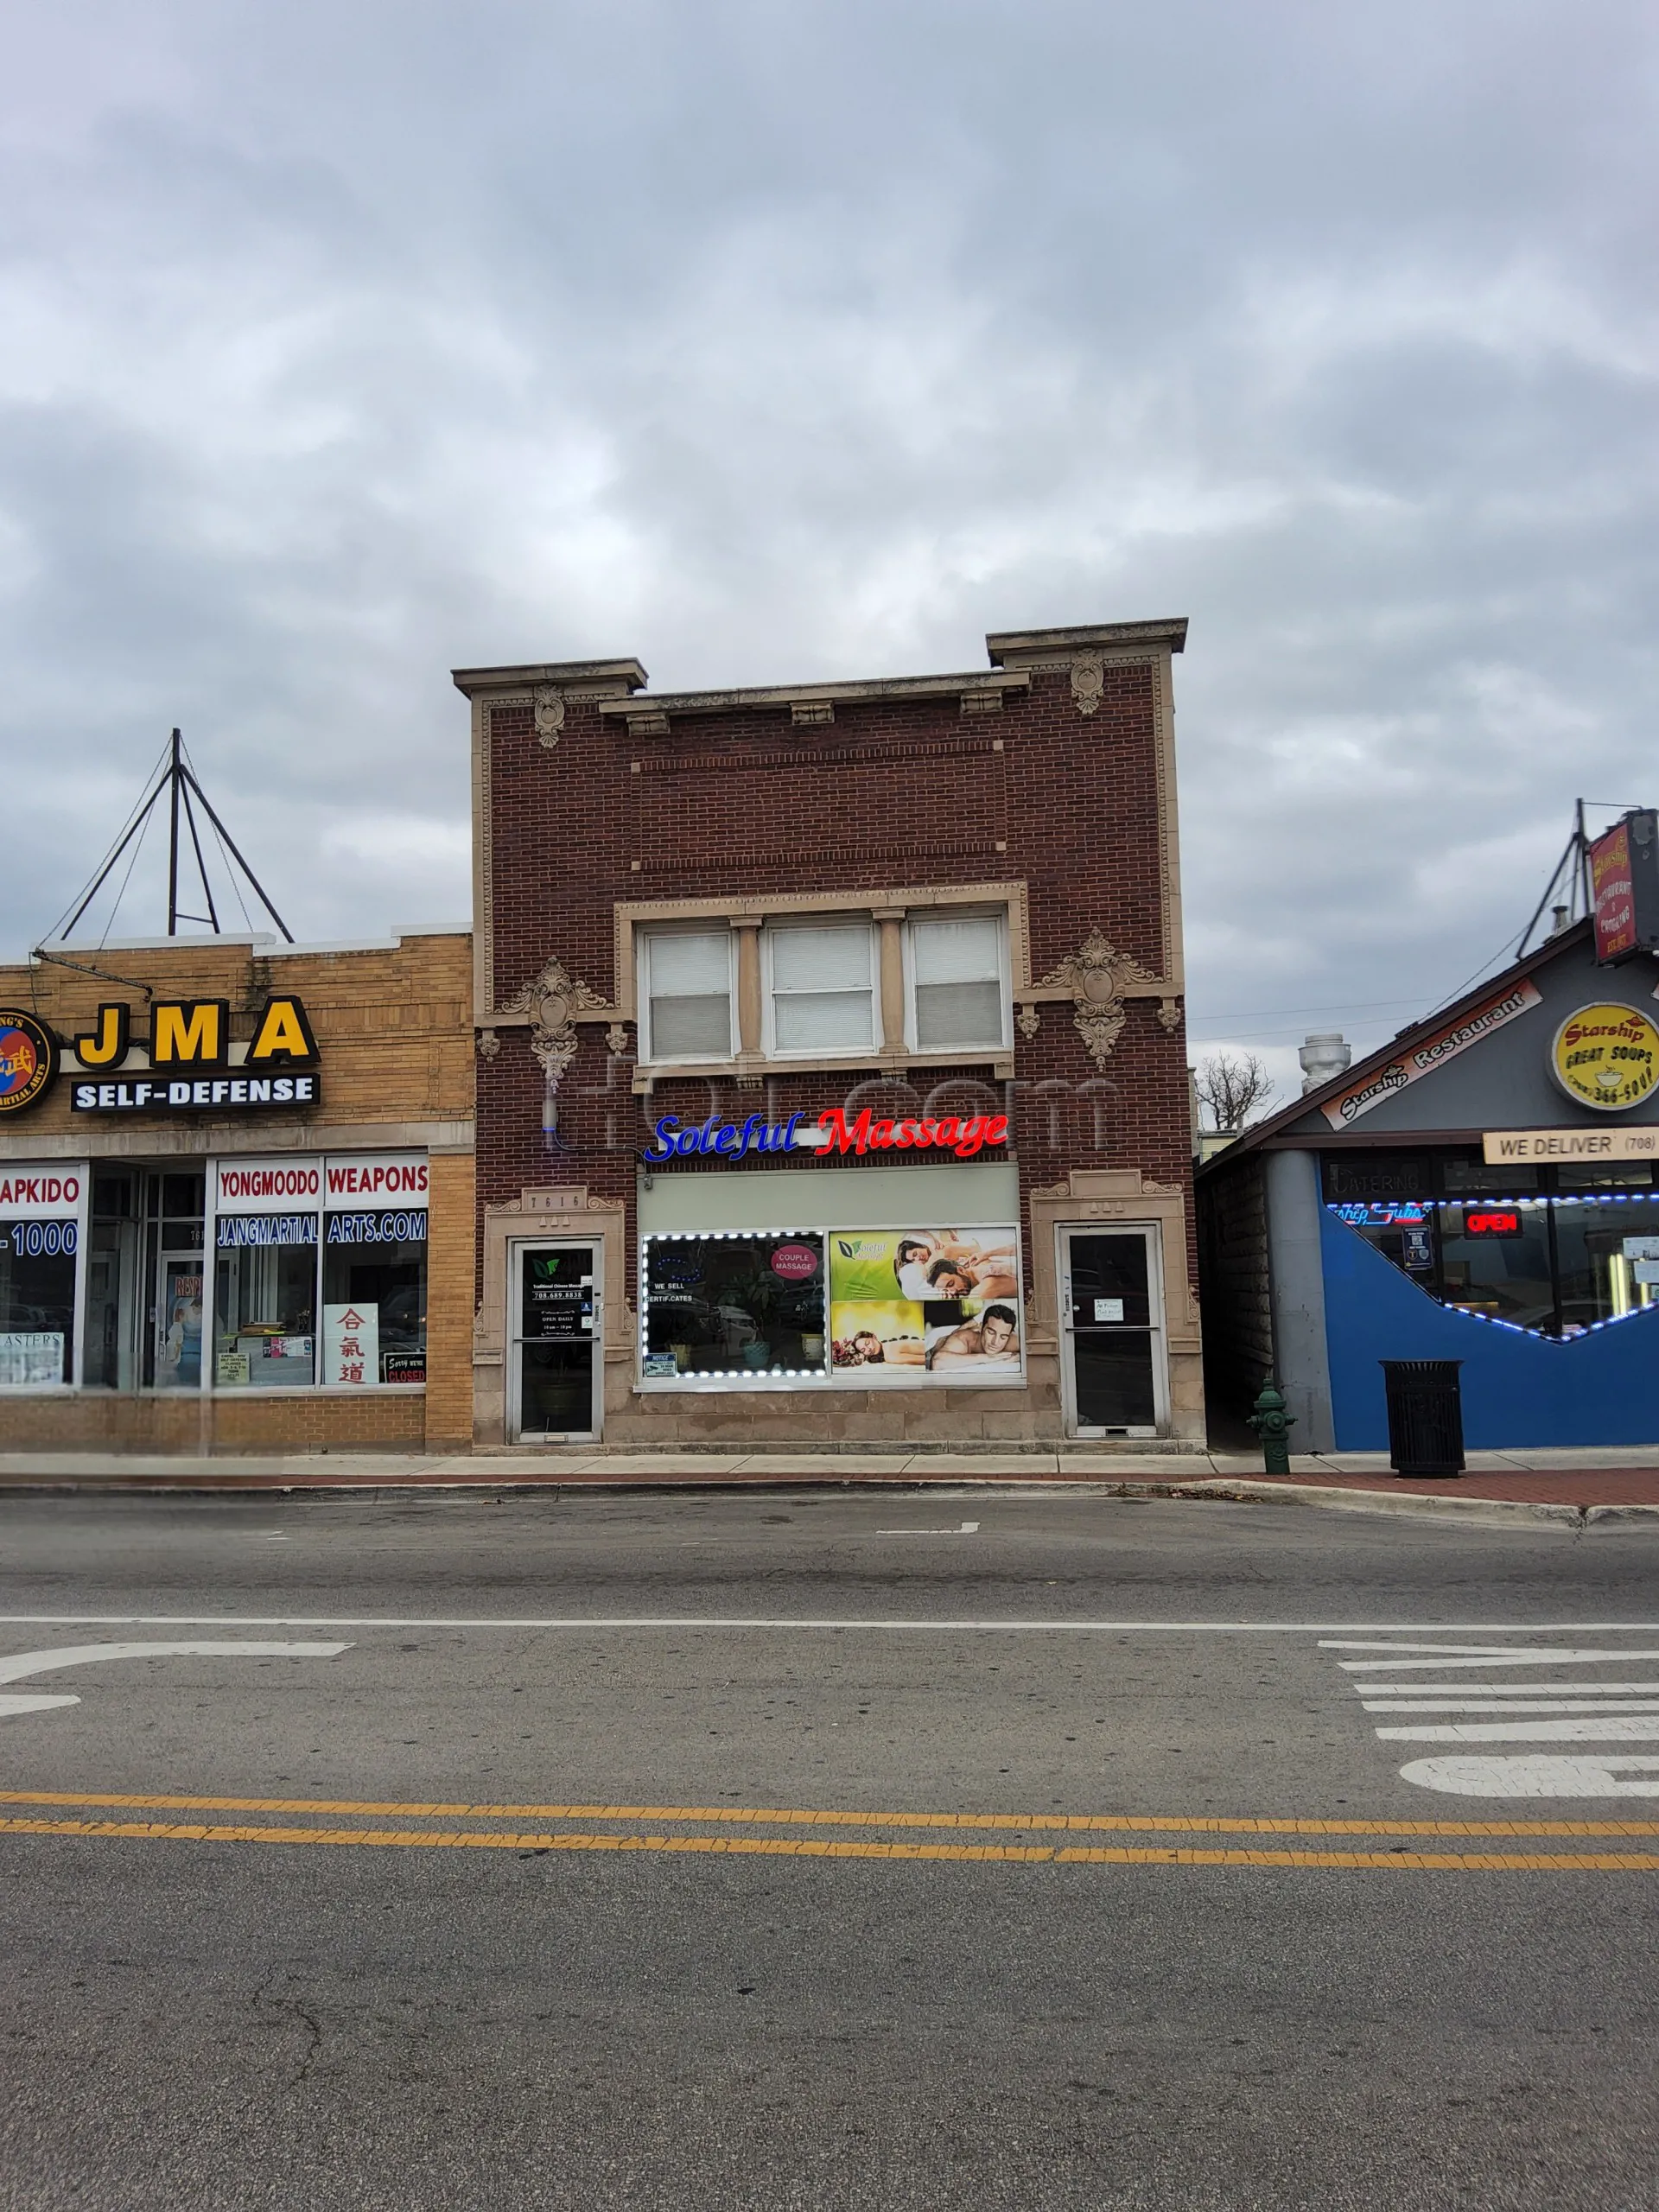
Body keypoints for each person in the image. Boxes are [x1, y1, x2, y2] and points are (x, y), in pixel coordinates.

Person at [925, 1303, 1020, 1370]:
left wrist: (1019, 1356)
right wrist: (987, 1358)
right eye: (991, 1332)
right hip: (931, 1352)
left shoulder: (1011, 1341)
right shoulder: (964, 1339)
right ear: (981, 1327)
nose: (995, 1342)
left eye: (1003, 1337)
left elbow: (1032, 1350)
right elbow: (937, 1362)